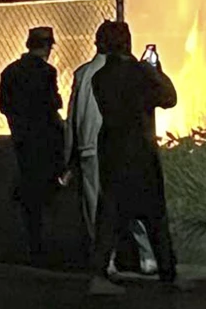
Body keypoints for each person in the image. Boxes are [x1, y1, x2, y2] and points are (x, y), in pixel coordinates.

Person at [89, 21, 179, 295]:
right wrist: (154, 70)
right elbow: (169, 99)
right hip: (141, 151)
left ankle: (99, 275)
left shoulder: (100, 77)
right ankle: (168, 274)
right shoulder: (141, 73)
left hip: (112, 152)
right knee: (154, 215)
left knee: (110, 215)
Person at [65, 21, 156, 276]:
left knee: (96, 208)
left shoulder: (83, 74)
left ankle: (107, 260)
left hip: (89, 151)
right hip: (120, 148)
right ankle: (149, 257)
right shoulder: (127, 72)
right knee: (136, 199)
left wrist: (69, 158)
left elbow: (73, 119)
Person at [0, 27, 65, 265]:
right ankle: (45, 247)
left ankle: (32, 243)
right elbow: (53, 102)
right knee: (49, 189)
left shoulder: (9, 72)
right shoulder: (46, 72)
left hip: (21, 138)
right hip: (45, 140)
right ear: (47, 47)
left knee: (28, 188)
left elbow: (3, 106)